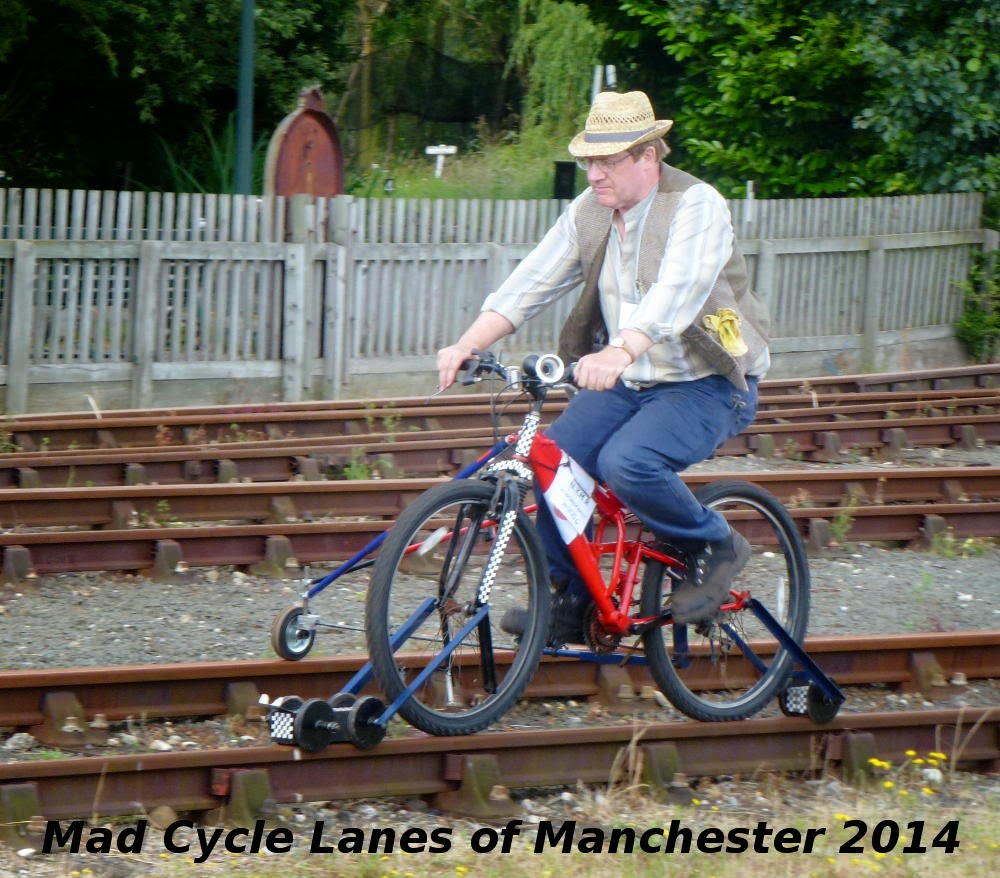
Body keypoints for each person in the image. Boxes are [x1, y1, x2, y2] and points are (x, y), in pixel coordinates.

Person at [436, 90, 770, 645]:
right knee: (553, 462)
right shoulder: (590, 213)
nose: (593, 174)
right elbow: (531, 282)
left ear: (648, 157)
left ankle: (714, 542)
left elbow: (676, 292)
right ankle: (570, 601)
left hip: (709, 383)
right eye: (588, 161)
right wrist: (467, 342)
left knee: (627, 462)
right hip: (632, 381)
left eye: (607, 161)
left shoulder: (696, 205)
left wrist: (619, 349)